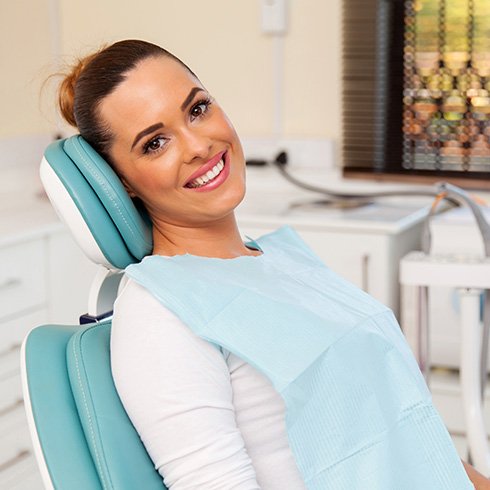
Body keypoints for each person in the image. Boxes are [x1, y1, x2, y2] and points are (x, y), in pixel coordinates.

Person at [57, 39, 489, 489]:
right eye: (156, 143)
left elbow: (413, 440)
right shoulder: (160, 312)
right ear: (121, 183)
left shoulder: (279, 259)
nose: (198, 145)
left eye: (198, 109)